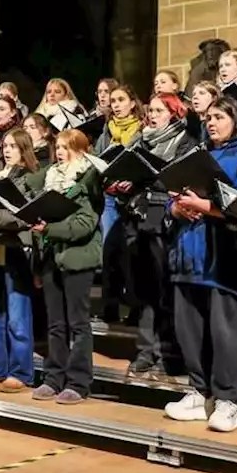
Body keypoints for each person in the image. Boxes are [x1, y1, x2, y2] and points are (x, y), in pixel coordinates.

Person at [165, 96, 237, 433]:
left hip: (224, 255)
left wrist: (205, 205)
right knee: (189, 328)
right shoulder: (198, 153)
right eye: (208, 117)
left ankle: (229, 400)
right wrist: (176, 209)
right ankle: (199, 391)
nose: (211, 123)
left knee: (225, 331)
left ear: (235, 119)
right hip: (189, 252)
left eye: (219, 117)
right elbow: (174, 197)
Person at [121, 93, 197, 376]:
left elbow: (187, 179)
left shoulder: (185, 142)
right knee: (145, 290)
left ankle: (170, 352)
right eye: (150, 110)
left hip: (167, 217)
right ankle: (146, 350)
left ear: (174, 114)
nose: (151, 115)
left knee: (167, 290)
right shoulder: (140, 141)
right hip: (140, 217)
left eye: (158, 110)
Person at [32, 129, 103, 405]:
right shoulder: (51, 178)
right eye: (57, 147)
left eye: (65, 148)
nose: (59, 152)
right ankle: (53, 377)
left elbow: (86, 224)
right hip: (52, 257)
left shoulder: (88, 180)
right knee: (56, 323)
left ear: (80, 150)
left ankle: (78, 381)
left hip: (78, 258)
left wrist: (49, 228)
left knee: (78, 324)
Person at [0, 129, 40, 393]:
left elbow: (24, 218)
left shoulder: (30, 179)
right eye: (5, 145)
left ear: (24, 149)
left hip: (16, 247)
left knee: (17, 314)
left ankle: (21, 371)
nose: (7, 150)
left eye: (13, 145)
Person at [94, 86, 145, 333]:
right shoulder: (107, 131)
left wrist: (131, 180)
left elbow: (144, 163)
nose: (115, 104)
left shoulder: (141, 130)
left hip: (132, 199)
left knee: (131, 254)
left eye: (121, 100)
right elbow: (97, 160)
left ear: (132, 103)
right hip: (110, 197)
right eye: (112, 100)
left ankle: (135, 306)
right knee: (109, 251)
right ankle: (109, 306)